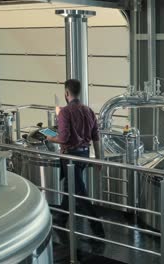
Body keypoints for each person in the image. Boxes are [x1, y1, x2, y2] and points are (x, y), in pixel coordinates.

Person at [47, 79, 105, 240]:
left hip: (70, 157)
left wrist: (50, 138)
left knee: (80, 191)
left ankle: (97, 226)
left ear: (66, 93)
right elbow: (96, 137)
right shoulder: (89, 111)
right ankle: (61, 219)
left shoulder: (64, 112)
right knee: (69, 187)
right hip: (84, 155)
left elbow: (64, 137)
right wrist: (99, 159)